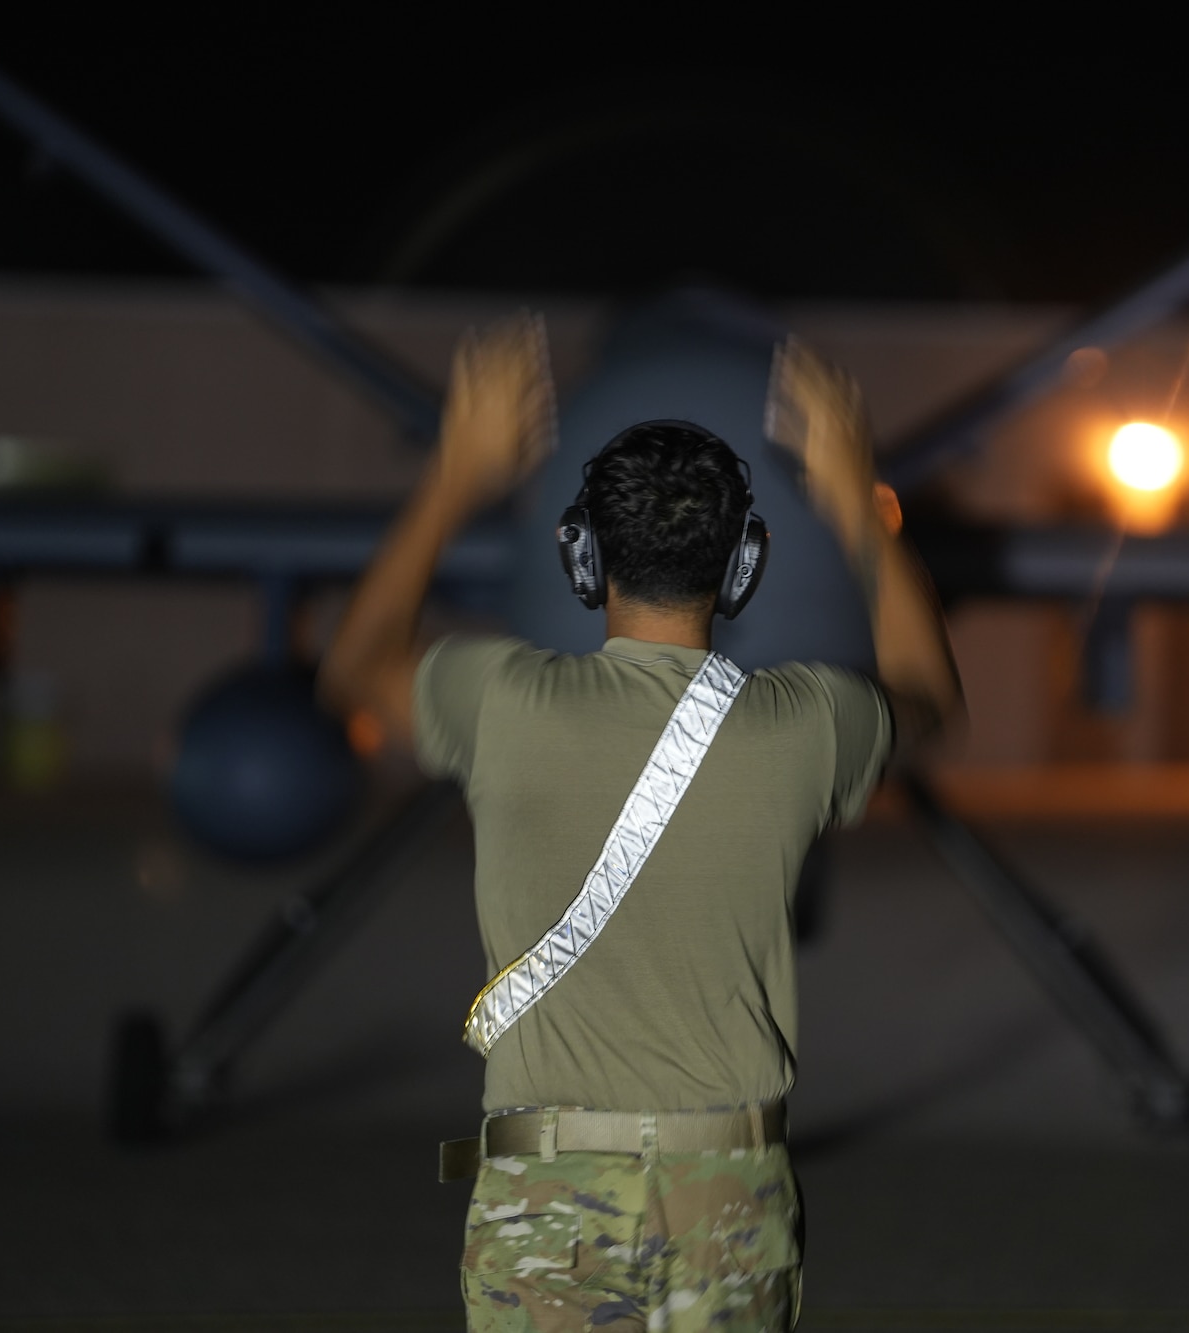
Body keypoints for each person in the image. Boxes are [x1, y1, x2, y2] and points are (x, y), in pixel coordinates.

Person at [322, 316, 962, 1332]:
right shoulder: (801, 725)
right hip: (729, 1189)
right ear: (741, 566)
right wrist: (856, 503)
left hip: (548, 1194)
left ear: (582, 560)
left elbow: (354, 664)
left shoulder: (501, 703)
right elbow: (928, 692)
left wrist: (453, 476)